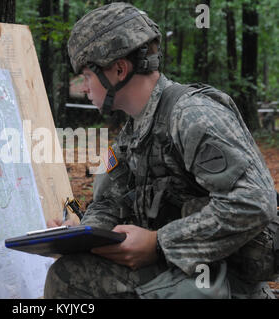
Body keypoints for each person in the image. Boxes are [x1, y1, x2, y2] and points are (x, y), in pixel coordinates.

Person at [44, 2, 278, 299]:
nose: (84, 87)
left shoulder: (193, 116)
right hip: (178, 266)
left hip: (222, 274)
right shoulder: (133, 133)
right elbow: (109, 204)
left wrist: (158, 242)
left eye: (87, 75)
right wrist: (78, 236)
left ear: (119, 69)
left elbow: (255, 203)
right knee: (70, 274)